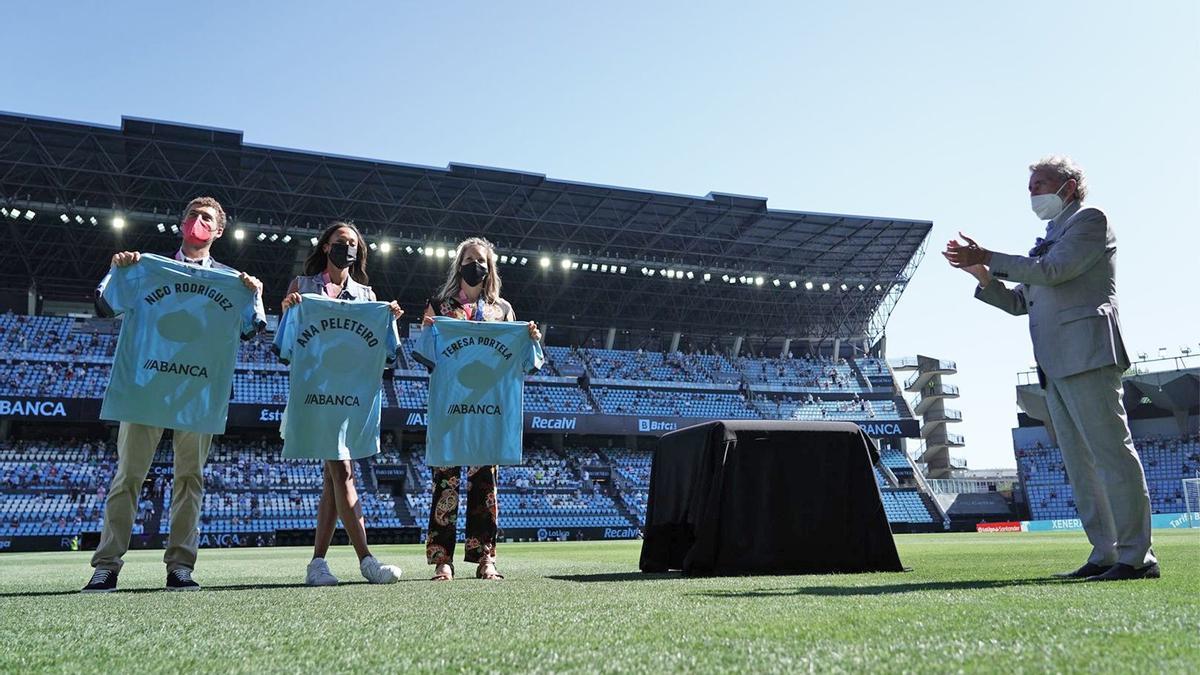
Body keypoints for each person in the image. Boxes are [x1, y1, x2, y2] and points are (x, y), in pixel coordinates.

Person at [944, 155, 1158, 582]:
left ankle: (1137, 557)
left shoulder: (1089, 220)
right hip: (1055, 366)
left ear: (1071, 185)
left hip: (1089, 354)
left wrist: (990, 253)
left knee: (1111, 455)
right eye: (1030, 186)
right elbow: (1021, 302)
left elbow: (1055, 272)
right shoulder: (1048, 236)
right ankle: (1105, 553)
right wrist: (983, 274)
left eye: (1041, 183)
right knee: (1081, 466)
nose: (1033, 192)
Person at [83, 197, 264, 593]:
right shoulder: (145, 268)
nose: (198, 222)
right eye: (193, 216)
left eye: (207, 219)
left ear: (218, 232)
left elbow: (253, 329)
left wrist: (254, 294)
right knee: (128, 476)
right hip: (145, 387)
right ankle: (106, 566)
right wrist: (118, 270)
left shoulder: (233, 280)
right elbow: (103, 306)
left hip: (196, 392)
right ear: (181, 224)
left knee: (190, 480)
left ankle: (180, 566)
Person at [279, 221, 405, 586]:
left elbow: (386, 351)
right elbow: (286, 344)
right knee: (342, 471)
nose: (346, 248)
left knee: (334, 478)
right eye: (339, 242)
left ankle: (317, 563)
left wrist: (389, 318)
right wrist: (289, 311)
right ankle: (366, 560)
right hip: (315, 393)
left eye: (352, 243)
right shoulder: (302, 288)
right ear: (325, 246)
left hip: (349, 397)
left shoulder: (368, 297)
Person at [422, 236, 540, 581]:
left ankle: (486, 557)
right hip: (451, 406)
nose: (476, 266)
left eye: (483, 261)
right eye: (470, 259)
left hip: (488, 407)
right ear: (459, 264)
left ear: (490, 270)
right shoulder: (440, 306)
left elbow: (523, 362)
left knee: (486, 485)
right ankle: (443, 560)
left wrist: (529, 337)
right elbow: (426, 356)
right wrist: (427, 330)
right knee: (445, 483)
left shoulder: (502, 311)